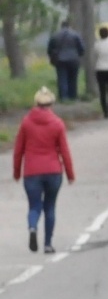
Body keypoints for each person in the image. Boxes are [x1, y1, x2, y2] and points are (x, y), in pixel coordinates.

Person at [11, 88, 74, 254]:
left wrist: (17, 172)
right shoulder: (57, 123)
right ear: (51, 104)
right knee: (50, 207)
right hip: (53, 171)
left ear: (36, 103)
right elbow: (64, 151)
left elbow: (18, 150)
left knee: (34, 206)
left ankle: (32, 227)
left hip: (32, 172)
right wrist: (70, 174)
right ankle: (47, 244)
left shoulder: (26, 123)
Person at [45, 20, 85, 103]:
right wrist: (78, 55)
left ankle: (64, 97)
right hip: (74, 59)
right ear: (69, 26)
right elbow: (81, 48)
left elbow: (49, 49)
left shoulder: (55, 35)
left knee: (62, 78)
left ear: (61, 26)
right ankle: (73, 96)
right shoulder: (75, 35)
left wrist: (52, 57)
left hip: (60, 60)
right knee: (73, 79)